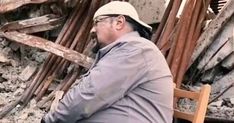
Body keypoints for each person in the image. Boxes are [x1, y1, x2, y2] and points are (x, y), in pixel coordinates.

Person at [41, 1, 173, 123]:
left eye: (97, 22)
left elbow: (87, 95)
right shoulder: (129, 51)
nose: (92, 30)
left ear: (119, 22)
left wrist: (50, 120)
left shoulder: (134, 50)